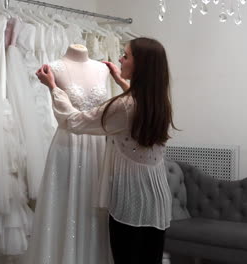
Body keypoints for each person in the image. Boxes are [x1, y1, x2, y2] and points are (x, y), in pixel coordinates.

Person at [36, 37, 175, 264]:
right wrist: (120, 80)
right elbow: (136, 104)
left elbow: (74, 121)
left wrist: (53, 87)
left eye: (126, 55)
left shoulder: (124, 106)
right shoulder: (159, 103)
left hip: (130, 199)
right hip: (156, 199)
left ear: (141, 65)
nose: (120, 58)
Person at [24, 44, 113, 264]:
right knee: (64, 208)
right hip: (68, 145)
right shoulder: (54, 67)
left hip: (97, 147)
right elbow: (64, 116)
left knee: (94, 208)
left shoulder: (103, 69)